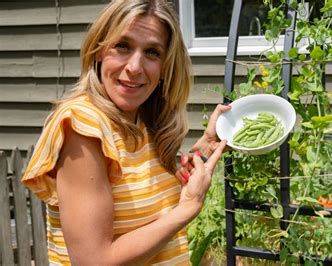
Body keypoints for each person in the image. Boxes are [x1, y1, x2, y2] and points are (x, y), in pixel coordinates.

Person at [21, 0, 230, 265]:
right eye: (123, 46)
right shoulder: (83, 126)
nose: (134, 67)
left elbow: (141, 209)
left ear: (165, 65)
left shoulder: (142, 118)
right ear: (98, 50)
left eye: (152, 52)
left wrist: (205, 147)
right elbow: (93, 261)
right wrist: (188, 208)